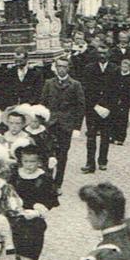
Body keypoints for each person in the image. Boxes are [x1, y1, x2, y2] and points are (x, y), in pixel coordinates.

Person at [7, 144, 59, 260]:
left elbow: (51, 200)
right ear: (21, 161)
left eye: (33, 162)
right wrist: (14, 208)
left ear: (39, 162)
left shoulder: (44, 178)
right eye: (26, 161)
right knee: (22, 251)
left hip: (35, 220)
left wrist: (38, 211)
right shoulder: (15, 175)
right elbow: (9, 194)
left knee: (31, 252)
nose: (29, 165)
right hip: (17, 219)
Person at [39, 56, 86, 190]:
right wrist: (42, 122)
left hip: (66, 126)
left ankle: (57, 184)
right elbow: (43, 104)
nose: (61, 69)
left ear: (68, 68)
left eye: (64, 66)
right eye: (59, 66)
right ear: (55, 67)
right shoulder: (49, 83)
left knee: (62, 155)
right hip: (50, 125)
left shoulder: (75, 85)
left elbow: (80, 107)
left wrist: (77, 127)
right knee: (48, 153)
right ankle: (47, 181)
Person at [81, 45, 117, 173]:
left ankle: (103, 161)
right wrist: (94, 105)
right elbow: (86, 89)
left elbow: (116, 91)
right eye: (100, 53)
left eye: (105, 53)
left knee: (105, 136)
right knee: (91, 136)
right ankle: (90, 163)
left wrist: (109, 107)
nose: (102, 55)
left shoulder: (114, 69)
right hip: (92, 108)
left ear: (109, 54)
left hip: (108, 108)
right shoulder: (89, 69)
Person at [109, 57, 130, 145]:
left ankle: (120, 138)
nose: (124, 68)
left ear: (129, 67)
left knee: (123, 119)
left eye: (126, 67)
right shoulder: (116, 76)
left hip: (125, 101)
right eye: (123, 66)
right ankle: (112, 136)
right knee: (113, 117)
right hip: (115, 100)